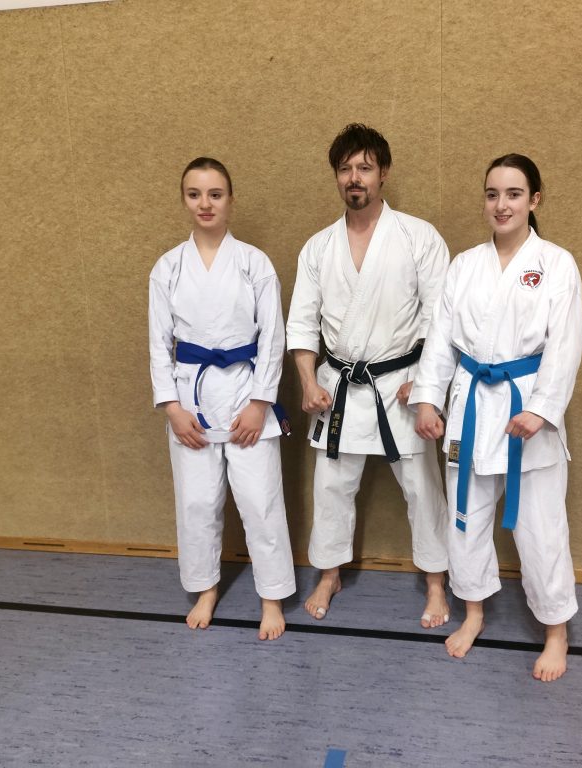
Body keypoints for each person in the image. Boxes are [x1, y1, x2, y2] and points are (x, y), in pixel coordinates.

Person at [409, 153, 582, 681]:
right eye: (492, 194)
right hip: (470, 407)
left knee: (541, 528)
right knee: (466, 518)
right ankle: (474, 613)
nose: (501, 204)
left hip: (525, 408)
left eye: (513, 194)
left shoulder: (556, 263)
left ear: (535, 200)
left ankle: (556, 632)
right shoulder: (464, 265)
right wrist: (428, 399)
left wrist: (541, 409)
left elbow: (567, 344)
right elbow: (441, 338)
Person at [286, 124, 451, 626]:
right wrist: (308, 381)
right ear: (336, 176)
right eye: (345, 169)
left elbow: (440, 317)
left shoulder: (418, 237)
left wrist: (426, 383)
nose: (354, 177)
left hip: (402, 384)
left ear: (384, 174)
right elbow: (302, 322)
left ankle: (436, 582)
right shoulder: (319, 247)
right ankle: (330, 574)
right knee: (331, 487)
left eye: (364, 167)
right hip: (339, 386)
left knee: (423, 488)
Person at [149, 157, 296, 641]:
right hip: (191, 396)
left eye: (215, 194)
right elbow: (158, 344)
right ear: (184, 200)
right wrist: (172, 408)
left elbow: (273, 337)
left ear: (231, 199)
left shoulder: (254, 263)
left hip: (245, 391)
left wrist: (259, 402)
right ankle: (205, 588)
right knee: (196, 502)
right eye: (194, 194)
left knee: (260, 500)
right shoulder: (168, 268)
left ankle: (271, 596)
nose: (205, 204)